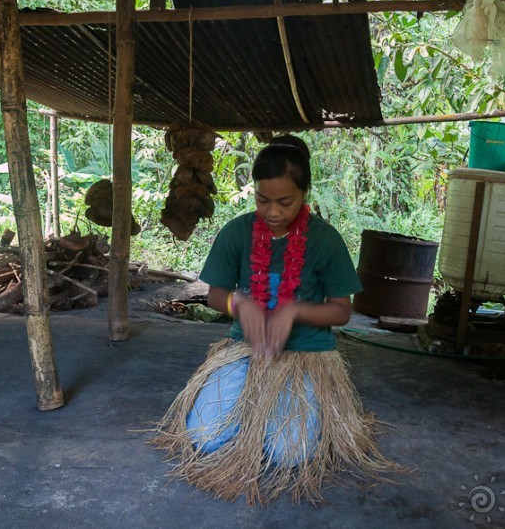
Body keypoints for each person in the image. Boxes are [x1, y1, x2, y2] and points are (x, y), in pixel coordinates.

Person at [153, 136, 400, 505]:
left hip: (307, 357)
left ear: (304, 193)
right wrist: (241, 305)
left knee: (291, 453)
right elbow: (215, 295)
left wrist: (295, 311)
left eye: (285, 201)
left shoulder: (326, 241)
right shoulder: (237, 232)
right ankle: (249, 421)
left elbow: (341, 310)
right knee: (204, 437)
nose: (272, 211)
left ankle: (270, 423)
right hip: (243, 351)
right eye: (262, 199)